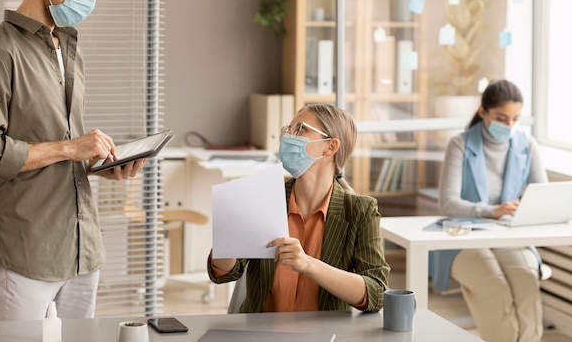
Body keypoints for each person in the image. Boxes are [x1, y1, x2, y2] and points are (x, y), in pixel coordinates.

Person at [0, 0, 146, 340]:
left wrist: (100, 165)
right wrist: (70, 147)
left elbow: (62, 149)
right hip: (25, 250)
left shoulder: (69, 50)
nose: (90, 1)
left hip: (83, 250)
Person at [207, 103, 390, 312]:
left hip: (323, 335)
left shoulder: (361, 210)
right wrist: (227, 236)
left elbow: (376, 293)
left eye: (301, 129)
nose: (288, 137)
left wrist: (307, 264)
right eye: (289, 129)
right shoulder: (265, 195)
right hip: (261, 334)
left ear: (330, 146)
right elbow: (224, 273)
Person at [430, 79, 547, 342]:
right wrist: (493, 210)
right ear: (483, 112)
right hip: (462, 237)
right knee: (495, 287)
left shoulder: (527, 145)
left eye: (515, 119)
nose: (509, 126)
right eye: (501, 118)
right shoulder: (460, 144)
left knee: (526, 281)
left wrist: (525, 208)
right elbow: (447, 203)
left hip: (508, 236)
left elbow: (542, 196)